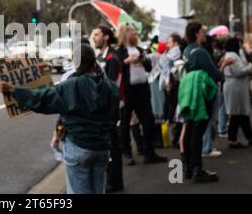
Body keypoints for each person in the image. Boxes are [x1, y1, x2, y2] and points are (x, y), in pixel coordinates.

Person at [0, 44, 118, 194]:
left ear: (76, 62)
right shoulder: (111, 86)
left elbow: (42, 99)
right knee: (98, 190)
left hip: (79, 147)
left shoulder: (71, 85)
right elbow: (114, 118)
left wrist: (14, 90)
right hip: (103, 149)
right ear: (94, 61)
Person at [180, 21, 232, 183]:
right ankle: (198, 170)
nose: (205, 34)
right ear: (196, 33)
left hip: (189, 92)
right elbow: (216, 75)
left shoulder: (187, 50)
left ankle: (188, 167)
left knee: (190, 129)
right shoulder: (200, 52)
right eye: (203, 31)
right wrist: (223, 65)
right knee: (198, 131)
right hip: (201, 93)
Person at [116, 24, 168, 165]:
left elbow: (149, 67)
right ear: (125, 34)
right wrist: (127, 61)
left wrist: (144, 59)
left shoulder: (139, 49)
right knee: (125, 123)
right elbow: (116, 67)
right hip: (127, 91)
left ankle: (149, 152)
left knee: (148, 121)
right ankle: (127, 153)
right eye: (132, 31)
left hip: (142, 90)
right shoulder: (120, 51)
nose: (135, 33)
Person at [92, 25, 124, 193]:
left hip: (110, 109)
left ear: (105, 37)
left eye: (96, 34)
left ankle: (115, 182)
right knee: (109, 144)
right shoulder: (101, 56)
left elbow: (109, 86)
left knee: (112, 145)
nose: (94, 38)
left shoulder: (111, 57)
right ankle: (112, 180)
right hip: (106, 108)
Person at [223, 37, 252, 148]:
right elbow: (239, 71)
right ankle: (235, 138)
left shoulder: (233, 54)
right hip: (236, 87)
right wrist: (250, 67)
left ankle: (238, 138)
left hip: (236, 87)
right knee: (238, 114)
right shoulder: (232, 56)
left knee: (239, 114)